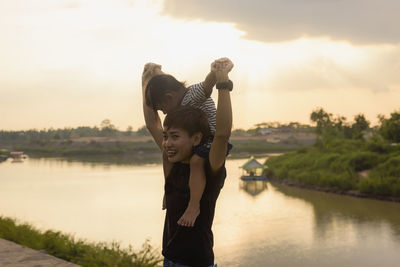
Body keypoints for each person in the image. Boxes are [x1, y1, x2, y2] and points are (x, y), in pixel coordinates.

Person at [142, 61, 233, 266]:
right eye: (166, 137)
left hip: (196, 263)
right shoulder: (176, 158)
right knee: (165, 156)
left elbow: (221, 134)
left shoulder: (207, 166)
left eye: (174, 136)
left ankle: (194, 206)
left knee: (193, 160)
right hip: (170, 259)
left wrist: (223, 84)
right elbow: (151, 123)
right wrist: (146, 79)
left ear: (195, 138)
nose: (167, 143)